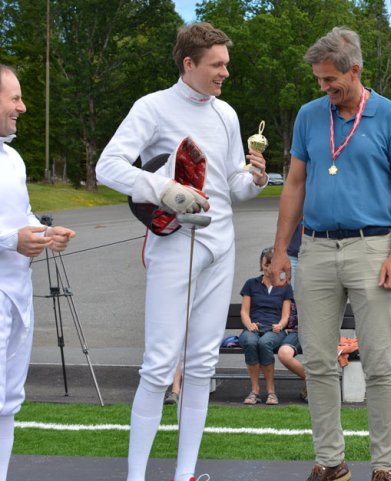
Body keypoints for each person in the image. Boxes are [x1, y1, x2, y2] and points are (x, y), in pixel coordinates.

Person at [95, 23, 268, 481]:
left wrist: (254, 179)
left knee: (201, 365)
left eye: (226, 64)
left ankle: (185, 474)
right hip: (174, 245)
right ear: (189, 64)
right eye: (217, 65)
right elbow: (107, 167)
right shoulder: (152, 107)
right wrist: (165, 189)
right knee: (158, 365)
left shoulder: (226, 115)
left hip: (220, 245)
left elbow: (230, 188)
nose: (225, 72)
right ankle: (136, 476)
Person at [270, 27, 391, 481]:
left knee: (378, 362)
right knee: (317, 361)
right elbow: (294, 184)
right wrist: (280, 250)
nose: (324, 88)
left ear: (355, 70)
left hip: (371, 245)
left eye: (331, 79)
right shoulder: (310, 115)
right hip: (313, 247)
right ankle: (331, 461)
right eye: (318, 80)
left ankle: (384, 466)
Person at [0, 64, 76, 481]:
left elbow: (19, 216)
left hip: (17, 294)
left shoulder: (11, 158)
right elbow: (10, 232)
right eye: (14, 98)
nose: (22, 107)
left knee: (9, 399)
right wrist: (11, 241)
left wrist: (46, 233)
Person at [239, 247, 294, 406]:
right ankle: (254, 391)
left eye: (272, 264)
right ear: (261, 265)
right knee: (250, 342)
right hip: (253, 327)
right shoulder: (251, 284)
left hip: (274, 329)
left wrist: (281, 325)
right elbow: (244, 311)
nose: (269, 268)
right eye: (266, 264)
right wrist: (249, 324)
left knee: (265, 343)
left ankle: (271, 392)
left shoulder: (285, 286)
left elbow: (286, 316)